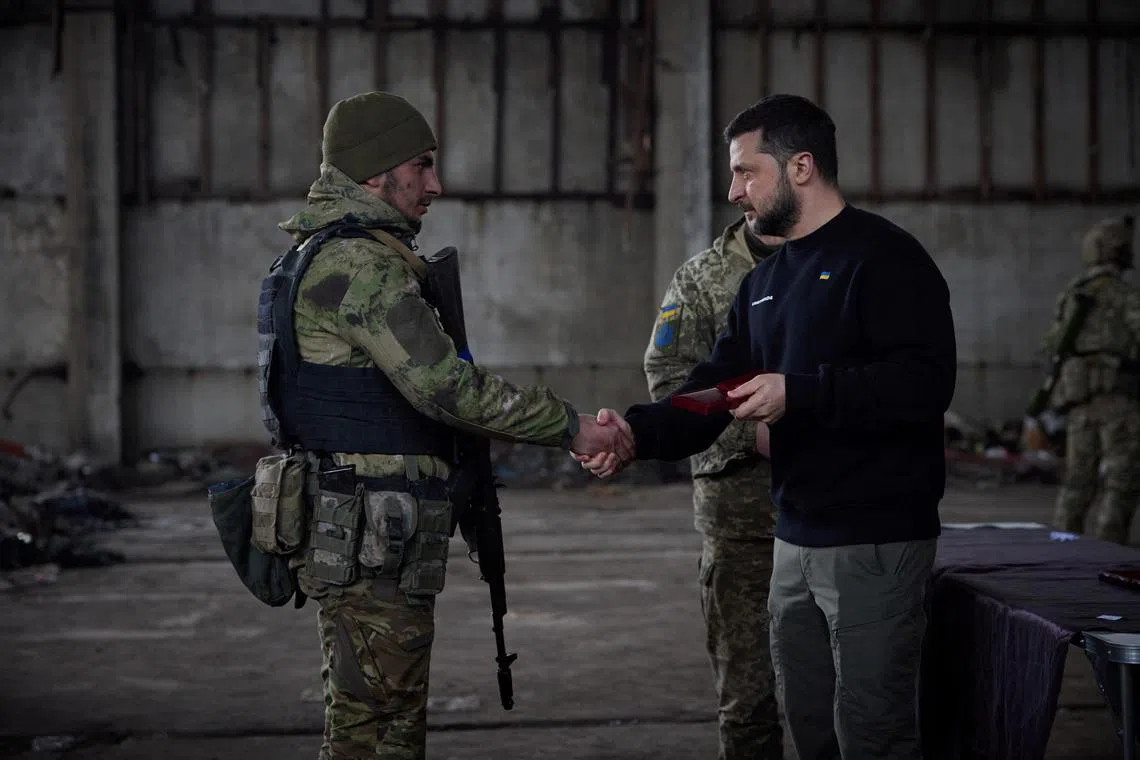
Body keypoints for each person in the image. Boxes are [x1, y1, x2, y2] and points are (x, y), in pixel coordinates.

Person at [579, 93, 957, 759]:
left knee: (873, 733)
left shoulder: (886, 258)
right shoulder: (767, 281)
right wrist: (635, 434)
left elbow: (924, 384)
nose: (734, 191)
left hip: (873, 540)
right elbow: (712, 392)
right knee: (811, 727)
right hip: (793, 542)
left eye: (747, 172)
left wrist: (801, 394)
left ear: (801, 167)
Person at [268, 91, 628, 760]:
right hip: (372, 537)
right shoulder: (361, 266)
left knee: (370, 720)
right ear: (376, 171)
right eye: (422, 166)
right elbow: (446, 388)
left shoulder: (329, 253)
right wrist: (569, 426)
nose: (435, 184)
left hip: (365, 530)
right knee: (378, 733)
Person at [643, 216, 783, 760]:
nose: (738, 191)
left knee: (844, 693)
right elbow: (670, 380)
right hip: (741, 514)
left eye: (748, 172)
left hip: (834, 510)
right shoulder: (702, 278)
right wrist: (753, 432)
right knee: (747, 695)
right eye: (733, 174)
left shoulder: (837, 262)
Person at [1043, 215, 1140, 544]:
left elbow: (1053, 344)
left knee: (1076, 482)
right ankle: (1111, 556)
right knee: (1120, 481)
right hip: (1120, 401)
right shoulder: (1125, 295)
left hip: (1080, 402)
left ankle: (1062, 552)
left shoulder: (1073, 294)